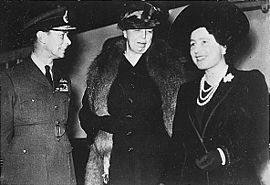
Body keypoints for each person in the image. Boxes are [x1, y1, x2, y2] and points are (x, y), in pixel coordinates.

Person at [79, 1, 189, 185]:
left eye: (149, 31)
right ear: (124, 31)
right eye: (137, 30)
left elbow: (179, 123)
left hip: (155, 164)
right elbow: (85, 115)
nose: (144, 37)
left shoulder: (168, 70)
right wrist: (105, 124)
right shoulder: (103, 69)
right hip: (116, 162)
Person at [166, 2, 269, 185]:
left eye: (204, 42)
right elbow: (177, 146)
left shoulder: (249, 83)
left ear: (224, 47)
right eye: (192, 44)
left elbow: (261, 134)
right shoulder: (187, 91)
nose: (196, 50)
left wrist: (223, 155)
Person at [0, 6, 77, 185]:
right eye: (61, 35)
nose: (68, 42)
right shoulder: (11, 78)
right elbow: (2, 137)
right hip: (27, 174)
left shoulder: (64, 79)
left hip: (62, 170)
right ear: (42, 37)